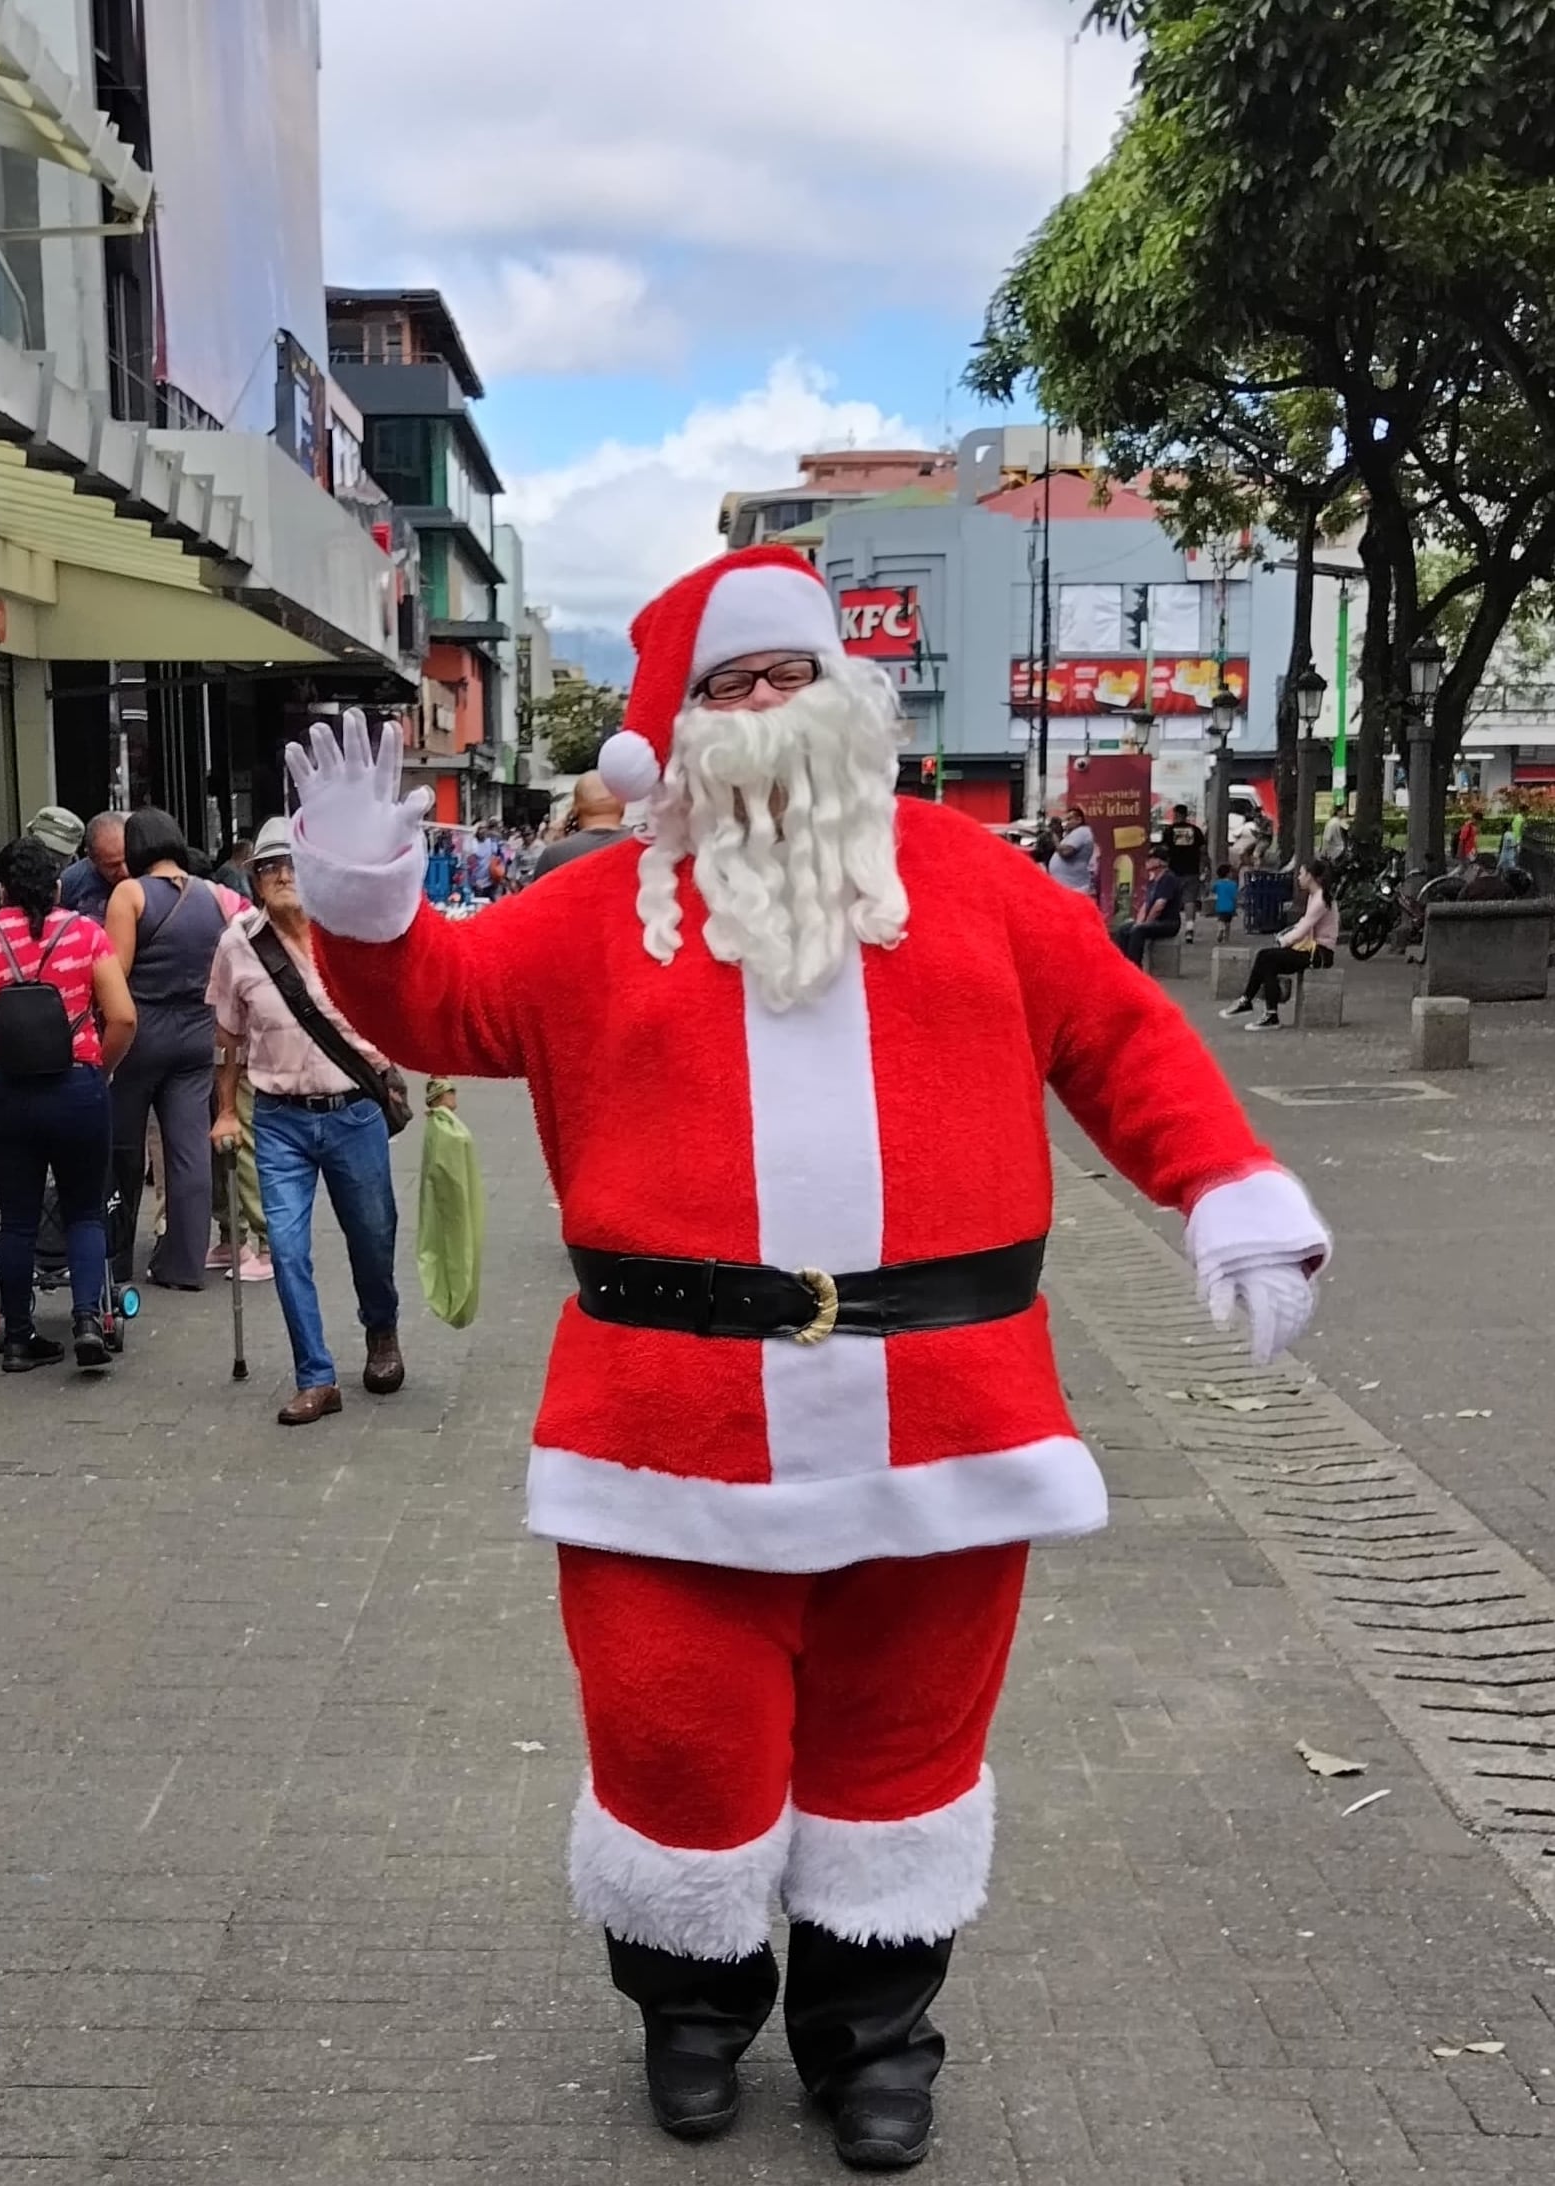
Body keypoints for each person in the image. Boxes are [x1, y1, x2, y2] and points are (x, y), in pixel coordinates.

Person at [285, 544, 1329, 2172]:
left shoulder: (977, 887)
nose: (765, 706)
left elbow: (1123, 1037)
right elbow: (441, 1000)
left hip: (943, 1429)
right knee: (674, 1746)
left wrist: (1223, 1189)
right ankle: (692, 2009)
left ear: (844, 699)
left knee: (897, 1758)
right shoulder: (591, 913)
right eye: (729, 683)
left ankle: (871, 2038)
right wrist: (362, 908)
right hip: (662, 1439)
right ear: (674, 729)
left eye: (789, 676)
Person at [206, 817, 403, 1426]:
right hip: (279, 1119)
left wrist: (441, 1083)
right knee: (287, 1250)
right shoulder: (237, 941)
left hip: (353, 1110)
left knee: (372, 1236)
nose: (283, 874)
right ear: (255, 879)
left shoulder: (351, 933)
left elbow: (404, 1011)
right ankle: (316, 1376)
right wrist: (222, 1112)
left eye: (292, 864)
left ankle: (381, 1331)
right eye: (269, 867)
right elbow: (225, 1038)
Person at [0, 835, 136, 1372]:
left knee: (19, 1219)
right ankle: (88, 1322)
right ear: (55, 885)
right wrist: (102, 1066)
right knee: (85, 1212)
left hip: (13, 1095)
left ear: (1, 888)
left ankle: (19, 1337)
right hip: (78, 1089)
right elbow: (122, 1017)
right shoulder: (86, 934)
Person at [105, 811, 237, 1289]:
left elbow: (114, 974)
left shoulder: (130, 893)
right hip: (197, 1034)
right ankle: (183, 1264)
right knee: (189, 1152)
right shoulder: (213, 896)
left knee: (123, 1149)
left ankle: (115, 1261)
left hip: (141, 1034)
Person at [1220, 858, 1340, 1030]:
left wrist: (1283, 941)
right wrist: (1285, 936)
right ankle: (1262, 1009)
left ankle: (1256, 1006)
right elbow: (1303, 924)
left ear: (1311, 876)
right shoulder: (1315, 896)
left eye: (1301, 874)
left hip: (1319, 953)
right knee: (1266, 959)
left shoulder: (1321, 899)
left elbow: (1304, 928)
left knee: (1267, 957)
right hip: (1310, 949)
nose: (1298, 877)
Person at [0, 804, 85, 910]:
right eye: (42, 848)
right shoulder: (0, 875)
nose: (48, 859)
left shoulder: (83, 882)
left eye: (59, 854)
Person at [532, 771, 632, 879]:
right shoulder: (645, 848)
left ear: (575, 808)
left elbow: (535, 895)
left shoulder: (553, 855)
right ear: (623, 805)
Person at [58, 812, 130, 922]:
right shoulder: (71, 882)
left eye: (128, 860)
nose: (124, 872)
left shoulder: (149, 873)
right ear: (92, 858)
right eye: (112, 866)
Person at [1114, 853, 1183, 965]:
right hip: (1153, 921)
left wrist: (1146, 923)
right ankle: (1121, 964)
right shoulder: (1153, 880)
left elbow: (1159, 906)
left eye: (1151, 858)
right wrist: (1138, 921)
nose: (1147, 861)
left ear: (1160, 862)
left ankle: (1134, 966)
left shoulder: (1168, 879)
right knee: (1124, 929)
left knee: (1138, 931)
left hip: (1168, 922)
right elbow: (1145, 905)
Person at [1155, 803, 1206, 941]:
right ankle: (1189, 929)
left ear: (1176, 814)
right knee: (1190, 900)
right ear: (1186, 815)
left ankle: (1171, 926)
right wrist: (1204, 867)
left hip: (1173, 871)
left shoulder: (1169, 831)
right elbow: (1202, 851)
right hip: (1192, 870)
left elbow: (1163, 850)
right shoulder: (1195, 831)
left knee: (1171, 900)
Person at [1048, 803, 1095, 894]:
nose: (1066, 823)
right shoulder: (1073, 833)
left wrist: (1055, 838)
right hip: (1067, 886)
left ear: (1079, 820)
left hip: (1074, 887)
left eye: (1069, 819)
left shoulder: (1081, 832)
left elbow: (1066, 852)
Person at [1213, 863, 1240, 942]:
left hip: (1220, 906)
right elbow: (1234, 897)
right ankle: (1226, 937)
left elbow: (1213, 890)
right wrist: (1236, 907)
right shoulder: (1233, 884)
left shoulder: (1218, 884)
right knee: (1228, 923)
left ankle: (1220, 929)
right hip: (1230, 907)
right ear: (1228, 874)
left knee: (1221, 920)